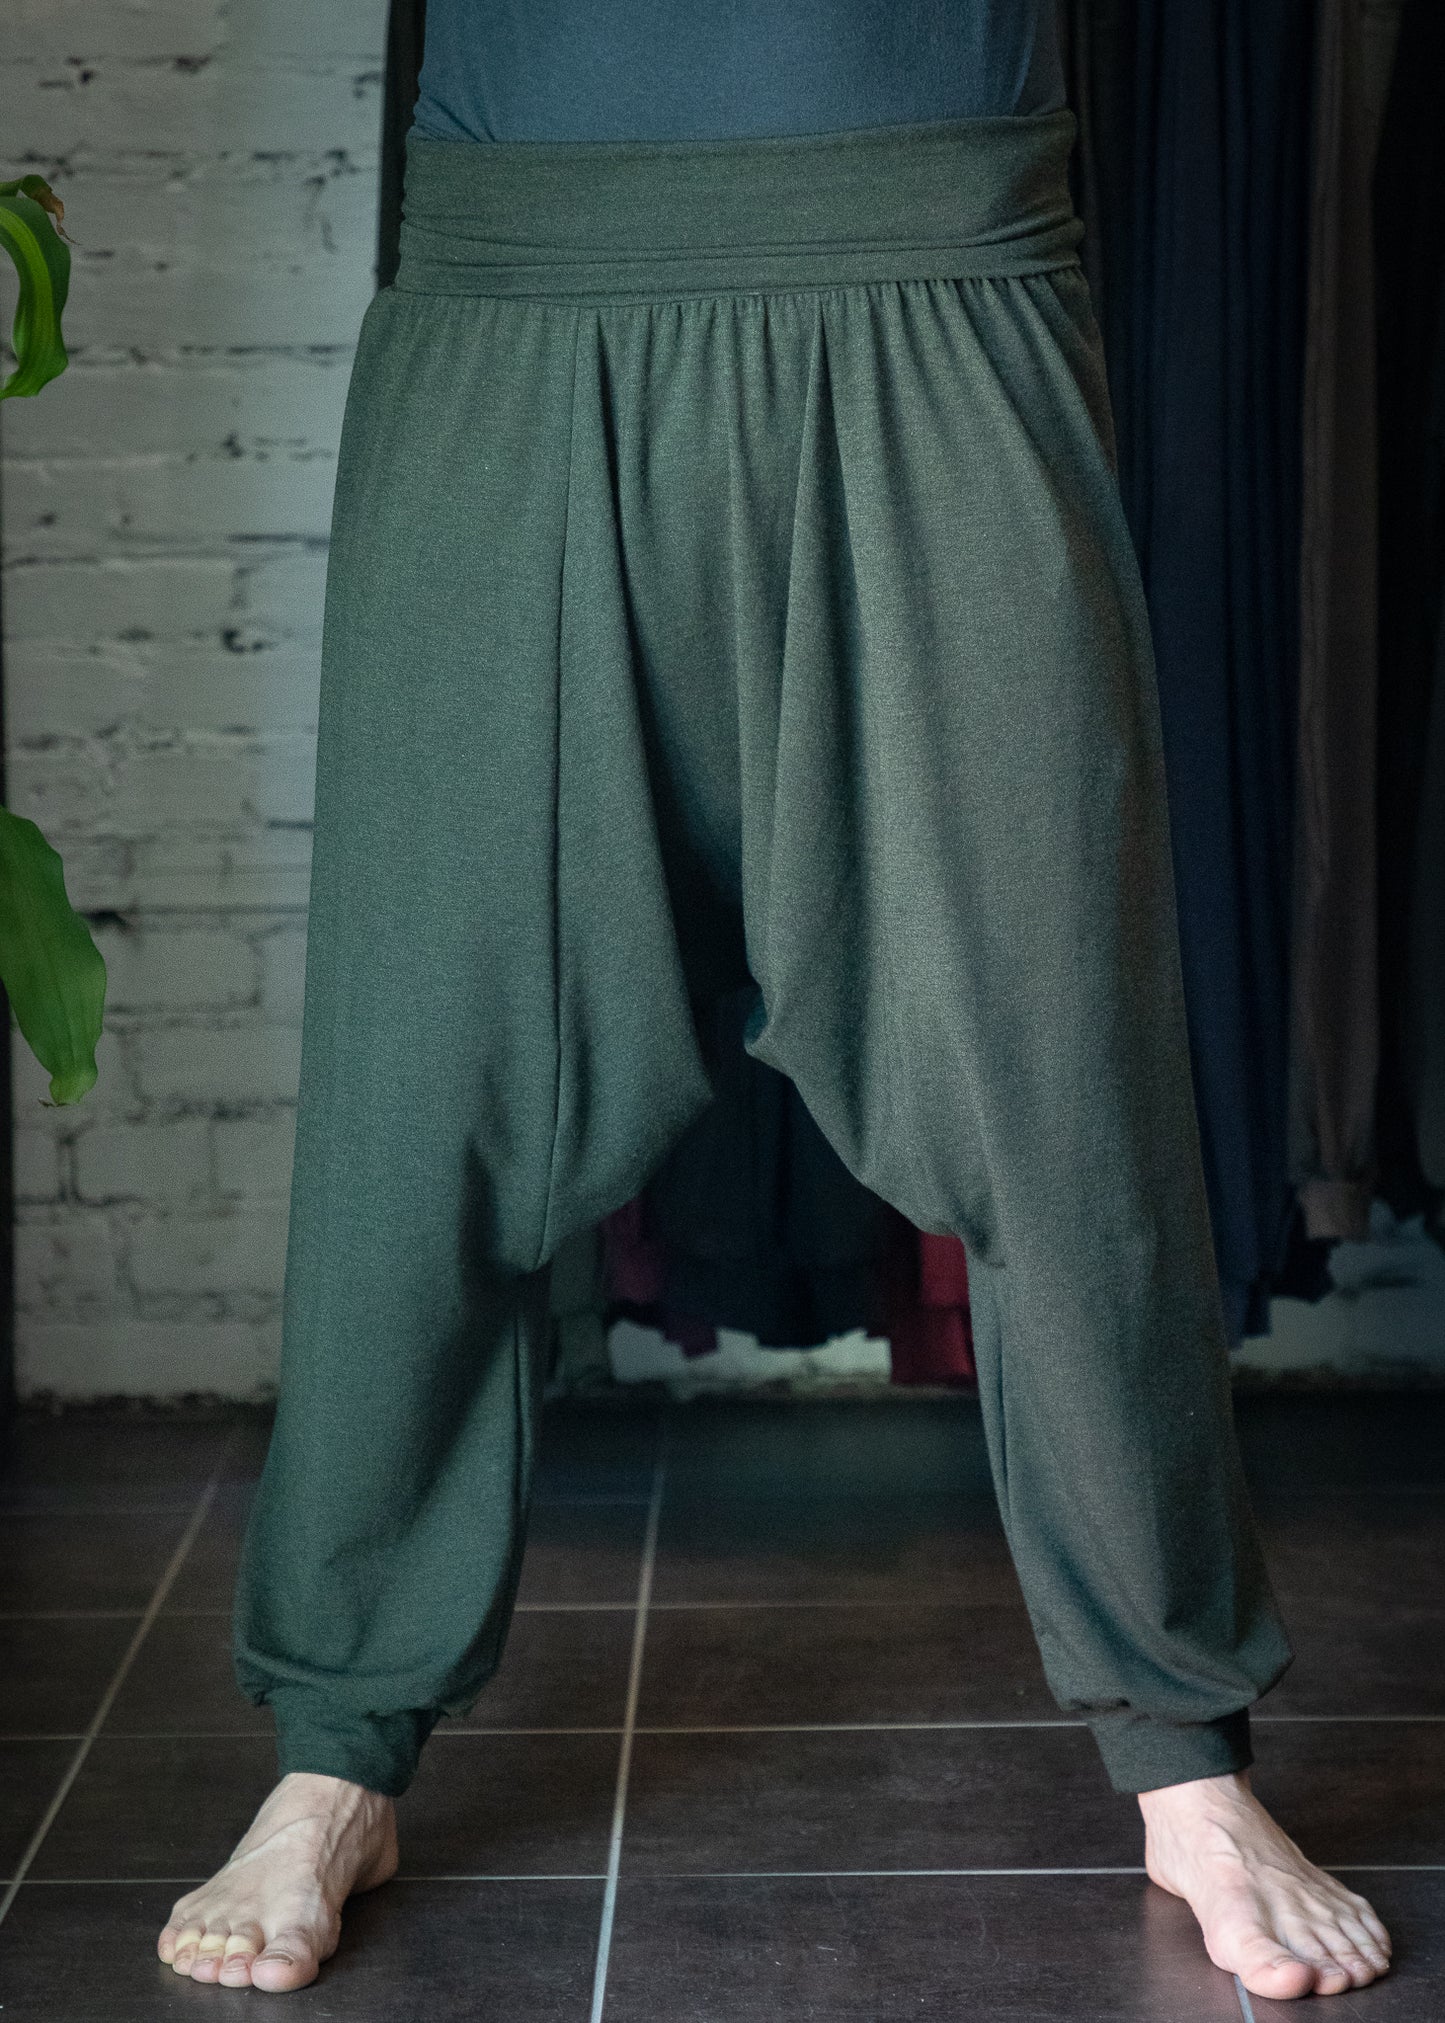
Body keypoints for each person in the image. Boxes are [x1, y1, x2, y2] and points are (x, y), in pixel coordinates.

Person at [154, 0, 1392, 1998]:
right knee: (426, 1073)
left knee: (1055, 1073)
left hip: (938, 256)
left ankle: (1183, 1753)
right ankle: (335, 1747)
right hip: (518, 285)